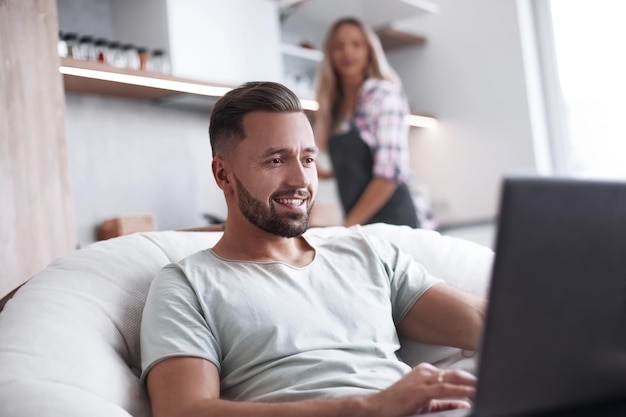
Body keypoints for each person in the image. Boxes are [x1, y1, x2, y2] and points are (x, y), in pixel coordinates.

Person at [140, 81, 487, 417]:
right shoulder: (188, 285)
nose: (300, 180)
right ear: (223, 175)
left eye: (307, 159)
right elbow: (183, 411)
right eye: (276, 160)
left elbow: (489, 323)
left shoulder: (366, 253)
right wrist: (364, 409)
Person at [314, 17, 420, 228]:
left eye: (356, 44)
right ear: (329, 54)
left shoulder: (383, 94)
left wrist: (347, 227)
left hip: (394, 223)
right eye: (338, 46)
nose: (347, 52)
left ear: (369, 51)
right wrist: (324, 173)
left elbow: (388, 174)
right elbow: (360, 166)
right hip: (362, 226)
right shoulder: (334, 107)